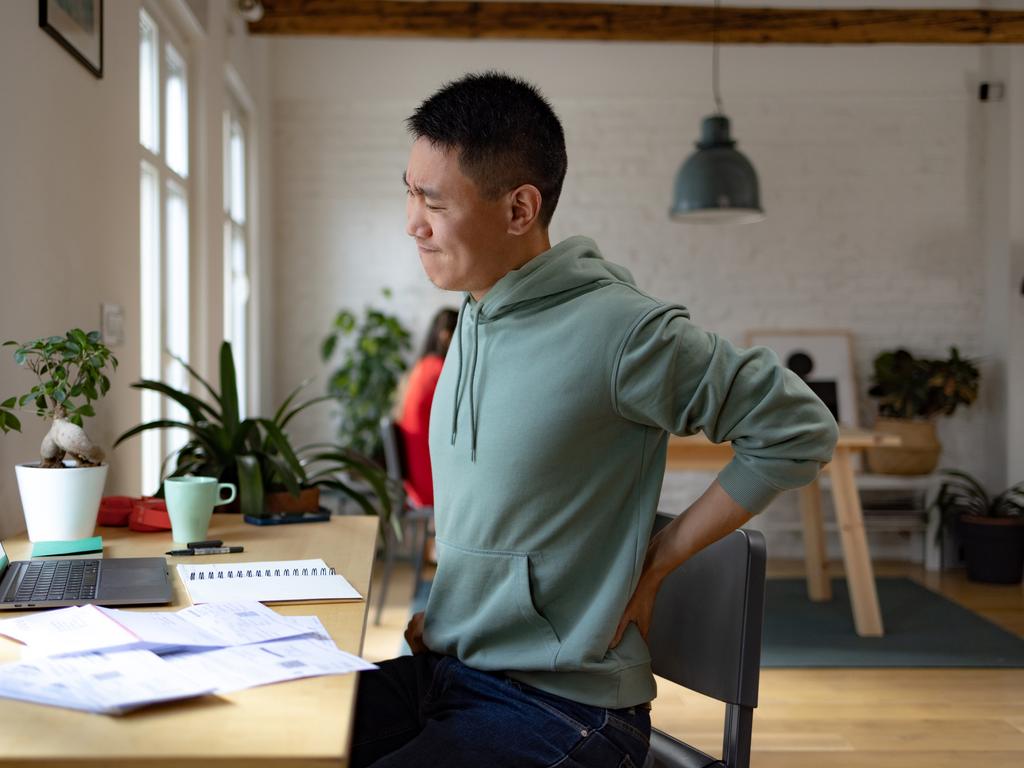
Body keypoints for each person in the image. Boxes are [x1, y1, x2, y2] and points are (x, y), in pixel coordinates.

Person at [352, 72, 839, 768]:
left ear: (520, 209)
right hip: (455, 667)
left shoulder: (624, 331)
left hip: (563, 708)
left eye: (433, 202)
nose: (412, 222)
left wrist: (662, 559)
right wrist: (464, 612)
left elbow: (798, 427)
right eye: (409, 190)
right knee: (270, 735)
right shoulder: (478, 307)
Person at [396, 307, 459, 509]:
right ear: (447, 336)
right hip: (430, 483)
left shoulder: (422, 368)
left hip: (416, 479)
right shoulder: (439, 372)